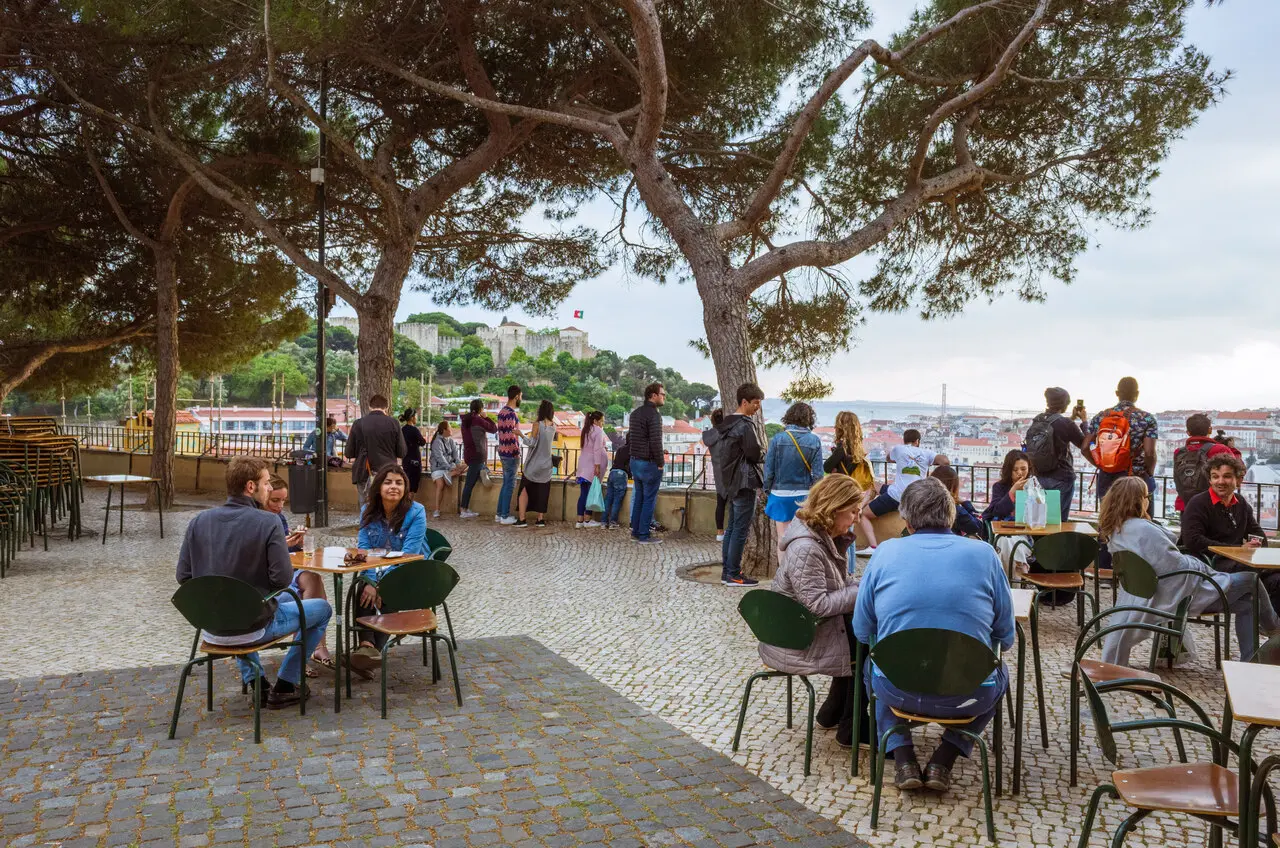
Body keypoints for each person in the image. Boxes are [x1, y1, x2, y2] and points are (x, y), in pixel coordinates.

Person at [853, 477, 1013, 792]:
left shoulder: (885, 554)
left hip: (897, 688)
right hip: (968, 692)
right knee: (1000, 674)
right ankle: (945, 756)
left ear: (906, 519)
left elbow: (862, 631)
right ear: (951, 515)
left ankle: (903, 756)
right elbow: (1005, 637)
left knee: (876, 664)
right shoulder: (985, 555)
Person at [176, 457, 333, 709]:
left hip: (212, 624)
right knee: (322, 609)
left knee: (240, 604)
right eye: (267, 483)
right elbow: (282, 580)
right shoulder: (268, 522)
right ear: (251, 487)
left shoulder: (198, 521)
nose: (270, 488)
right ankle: (286, 684)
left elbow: (183, 577)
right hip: (252, 626)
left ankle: (256, 682)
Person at [1099, 476, 1280, 665]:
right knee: (1250, 579)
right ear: (1137, 500)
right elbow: (1175, 566)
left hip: (1156, 594)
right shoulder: (1143, 531)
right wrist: (1200, 565)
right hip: (1179, 595)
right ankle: (1274, 628)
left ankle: (1249, 663)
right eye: (1147, 496)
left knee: (1248, 605)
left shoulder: (1117, 530)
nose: (1148, 500)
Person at [758, 474, 871, 749]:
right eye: (854, 511)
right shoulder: (807, 547)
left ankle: (833, 712)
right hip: (797, 637)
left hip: (804, 625)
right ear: (835, 508)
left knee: (860, 637)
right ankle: (852, 726)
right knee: (867, 643)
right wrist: (862, 591)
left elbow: (836, 586)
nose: (857, 518)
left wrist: (858, 586)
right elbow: (817, 604)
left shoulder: (823, 537)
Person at [347, 463, 428, 678]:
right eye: (388, 482)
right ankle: (366, 646)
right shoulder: (367, 511)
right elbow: (363, 551)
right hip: (376, 566)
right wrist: (372, 582)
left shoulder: (416, 512)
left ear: (405, 488)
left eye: (399, 483)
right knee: (361, 587)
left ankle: (370, 653)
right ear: (378, 487)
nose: (394, 487)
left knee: (390, 590)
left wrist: (381, 585)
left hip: (408, 570)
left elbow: (409, 556)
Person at [1179, 454, 1278, 609]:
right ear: (1209, 480)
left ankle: (1272, 628)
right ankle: (1270, 623)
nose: (1220, 481)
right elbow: (1193, 541)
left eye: (1226, 476)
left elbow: (1259, 536)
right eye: (1215, 477)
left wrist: (1255, 543)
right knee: (1253, 571)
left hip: (1237, 563)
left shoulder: (1241, 504)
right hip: (1208, 565)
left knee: (1277, 578)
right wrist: (1239, 550)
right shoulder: (1198, 503)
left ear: (1238, 480)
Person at [1085, 377, 1158, 577]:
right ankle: (1137, 568)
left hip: (1107, 476)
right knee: (1142, 519)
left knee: (1108, 519)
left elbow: (1085, 447)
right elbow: (1150, 452)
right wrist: (1149, 472)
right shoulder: (1147, 418)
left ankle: (1105, 567)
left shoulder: (1101, 416)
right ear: (1137, 394)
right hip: (1136, 476)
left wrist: (1101, 464)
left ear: (1117, 393)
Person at [265, 476, 334, 674]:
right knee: (309, 592)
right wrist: (283, 546)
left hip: (289, 571)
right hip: (271, 580)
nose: (279, 506)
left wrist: (296, 540)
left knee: (313, 578)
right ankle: (303, 653)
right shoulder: (259, 520)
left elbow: (288, 549)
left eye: (283, 501)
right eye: (275, 501)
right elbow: (264, 557)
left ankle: (311, 649)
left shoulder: (279, 517)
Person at [703, 382, 766, 587]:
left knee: (731, 529)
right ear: (744, 402)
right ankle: (733, 574)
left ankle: (727, 572)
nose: (757, 407)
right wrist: (765, 452)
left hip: (729, 483)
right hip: (744, 481)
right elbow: (753, 454)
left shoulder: (725, 424)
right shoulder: (745, 425)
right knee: (739, 530)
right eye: (755, 403)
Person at [859, 429, 948, 556]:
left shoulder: (899, 449)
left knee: (865, 513)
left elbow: (888, 458)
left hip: (896, 495)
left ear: (904, 440)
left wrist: (900, 459)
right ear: (917, 441)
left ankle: (873, 545)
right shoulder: (926, 453)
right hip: (916, 496)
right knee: (876, 486)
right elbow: (945, 461)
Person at [1023, 387, 1091, 522]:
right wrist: (1084, 421)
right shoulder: (1066, 423)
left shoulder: (1038, 420)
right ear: (1066, 404)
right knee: (1057, 521)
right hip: (1061, 478)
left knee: (1039, 520)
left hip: (1039, 477)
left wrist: (1070, 419)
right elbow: (1085, 444)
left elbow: (1056, 428)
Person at [763, 402, 824, 542]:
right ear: (809, 419)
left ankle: (784, 565)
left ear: (789, 417)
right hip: (804, 496)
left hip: (779, 494)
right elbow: (818, 474)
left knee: (782, 538)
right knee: (802, 538)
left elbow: (769, 470)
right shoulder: (814, 440)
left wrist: (766, 490)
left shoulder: (778, 439)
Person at [825, 411, 877, 564]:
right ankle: (851, 568)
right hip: (856, 491)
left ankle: (845, 567)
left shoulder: (843, 446)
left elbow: (827, 467)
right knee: (850, 532)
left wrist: (835, 459)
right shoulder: (859, 447)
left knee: (842, 532)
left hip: (843, 492)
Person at [1172, 413, 1240, 513]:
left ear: (1188, 432)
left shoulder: (1179, 452)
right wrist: (1232, 449)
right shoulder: (1220, 449)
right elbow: (1238, 470)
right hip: (1213, 504)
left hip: (1186, 504)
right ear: (1210, 430)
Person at [345, 394, 407, 503]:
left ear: (370, 407)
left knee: (366, 508)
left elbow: (349, 453)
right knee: (385, 506)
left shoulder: (358, 423)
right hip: (386, 472)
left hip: (363, 472)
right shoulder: (394, 423)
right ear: (386, 408)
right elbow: (402, 452)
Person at [981, 449, 1034, 572]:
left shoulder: (1034, 487)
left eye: (1023, 469)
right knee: (1005, 541)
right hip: (1004, 531)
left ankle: (1007, 582)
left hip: (1024, 534)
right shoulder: (999, 487)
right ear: (1008, 470)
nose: (1020, 473)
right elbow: (997, 511)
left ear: (1029, 469)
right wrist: (1012, 492)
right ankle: (1019, 574)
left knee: (1007, 543)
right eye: (1015, 470)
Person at [627, 382, 666, 545]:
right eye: (662, 394)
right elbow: (656, 441)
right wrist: (660, 462)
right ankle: (643, 534)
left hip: (634, 461)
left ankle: (636, 531)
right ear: (654, 395)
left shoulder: (635, 414)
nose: (664, 397)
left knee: (639, 498)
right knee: (649, 499)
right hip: (649, 463)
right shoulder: (654, 415)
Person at [516, 400, 557, 528]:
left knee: (524, 490)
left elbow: (532, 443)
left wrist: (520, 434)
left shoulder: (537, 425)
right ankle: (540, 519)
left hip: (534, 465)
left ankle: (522, 519)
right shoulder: (553, 426)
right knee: (542, 491)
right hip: (547, 465)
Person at [458, 399, 496, 519]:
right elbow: (494, 429)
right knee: (469, 483)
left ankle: (464, 508)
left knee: (471, 481)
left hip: (469, 454)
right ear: (480, 409)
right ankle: (463, 509)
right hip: (478, 455)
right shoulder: (478, 420)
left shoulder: (465, 420)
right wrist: (487, 417)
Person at [574, 410, 608, 528]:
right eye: (601, 421)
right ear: (595, 421)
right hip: (591, 465)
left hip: (583, 465)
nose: (602, 423)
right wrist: (597, 466)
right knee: (590, 493)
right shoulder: (598, 431)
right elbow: (597, 449)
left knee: (583, 493)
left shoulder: (586, 430)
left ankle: (579, 521)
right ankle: (587, 520)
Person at [495, 385, 523, 525]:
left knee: (505, 484)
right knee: (509, 484)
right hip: (511, 453)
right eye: (521, 396)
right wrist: (517, 452)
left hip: (502, 451)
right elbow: (511, 435)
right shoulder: (512, 414)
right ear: (517, 396)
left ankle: (499, 513)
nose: (521, 398)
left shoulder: (501, 412)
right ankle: (505, 516)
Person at [929, 465, 983, 537]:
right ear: (953, 487)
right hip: (949, 545)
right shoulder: (955, 510)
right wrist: (966, 504)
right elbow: (978, 526)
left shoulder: (921, 504)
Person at [427, 421, 466, 518]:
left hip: (449, 468)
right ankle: (437, 510)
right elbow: (440, 458)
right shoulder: (437, 442)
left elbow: (456, 456)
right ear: (444, 430)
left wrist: (458, 465)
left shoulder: (451, 441)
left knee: (468, 465)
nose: (451, 430)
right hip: (438, 468)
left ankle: (450, 474)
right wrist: (450, 468)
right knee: (440, 485)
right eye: (449, 428)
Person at [603, 440, 631, 530]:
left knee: (608, 498)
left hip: (612, 472)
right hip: (621, 474)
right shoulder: (633, 450)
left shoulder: (620, 449)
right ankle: (613, 522)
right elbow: (630, 465)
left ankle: (603, 522)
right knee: (617, 500)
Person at [709, 408, 728, 542]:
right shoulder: (727, 434)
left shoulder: (710, 436)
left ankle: (719, 532)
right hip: (731, 471)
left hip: (717, 472)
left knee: (720, 502)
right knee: (734, 504)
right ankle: (730, 530)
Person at [399, 408, 427, 496]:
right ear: (412, 418)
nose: (417, 418)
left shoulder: (402, 429)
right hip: (414, 459)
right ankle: (409, 506)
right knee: (413, 486)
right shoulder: (414, 430)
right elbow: (423, 442)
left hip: (406, 459)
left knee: (407, 483)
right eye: (416, 416)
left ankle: (404, 505)